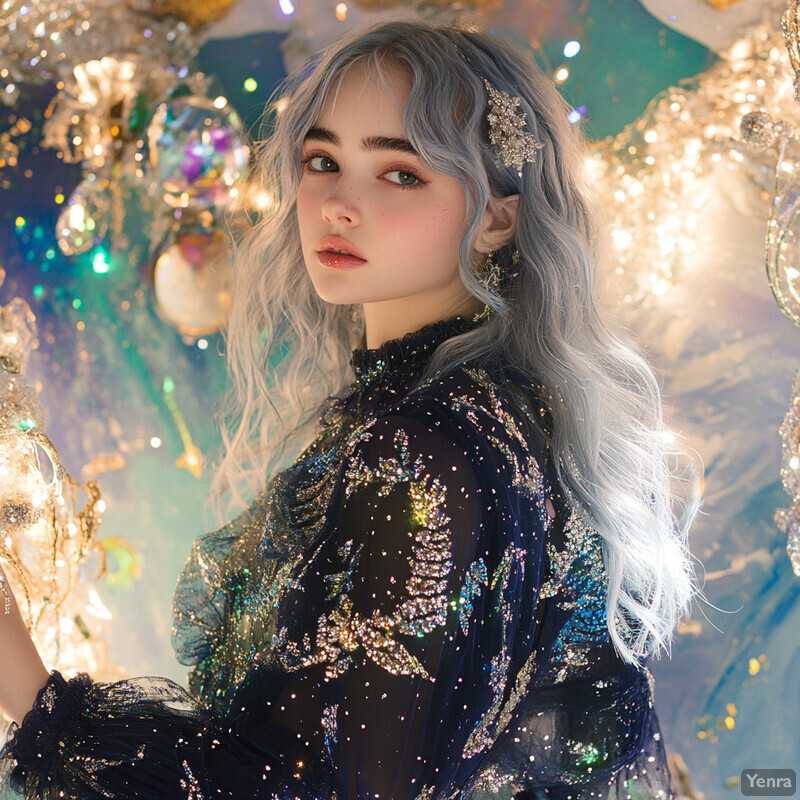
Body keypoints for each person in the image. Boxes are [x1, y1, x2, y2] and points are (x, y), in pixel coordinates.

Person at [0, 19, 696, 800]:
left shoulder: (429, 449)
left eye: (400, 174)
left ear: (499, 217)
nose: (337, 204)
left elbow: (320, 789)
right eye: (323, 161)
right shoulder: (498, 413)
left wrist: (20, 674)